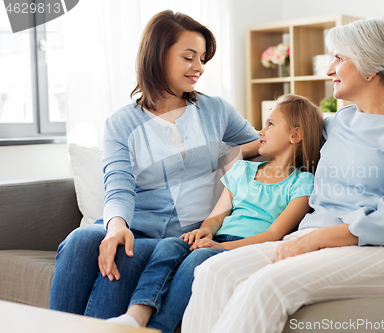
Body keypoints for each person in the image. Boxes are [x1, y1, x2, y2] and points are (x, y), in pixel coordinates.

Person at [182, 17, 384, 333]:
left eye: (339, 58)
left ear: (370, 66)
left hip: (383, 253)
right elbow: (280, 137)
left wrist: (316, 239)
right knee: (214, 271)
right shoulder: (337, 123)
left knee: (268, 286)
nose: (329, 70)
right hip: (310, 239)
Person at [49, 10, 261, 321]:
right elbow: (118, 184)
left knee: (127, 256)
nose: (199, 68)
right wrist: (117, 227)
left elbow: (267, 141)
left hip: (179, 238)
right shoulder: (122, 123)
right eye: (189, 57)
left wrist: (229, 154)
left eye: (203, 58)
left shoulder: (216, 111)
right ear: (158, 56)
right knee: (81, 239)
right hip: (135, 226)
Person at [107, 93, 324, 332]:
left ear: (295, 135)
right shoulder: (242, 170)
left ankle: (157, 327)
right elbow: (218, 216)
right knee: (169, 246)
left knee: (199, 259)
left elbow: (274, 233)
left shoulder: (302, 182)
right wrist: (204, 231)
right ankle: (135, 316)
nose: (260, 132)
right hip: (218, 240)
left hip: (245, 247)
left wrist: (221, 249)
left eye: (270, 124)